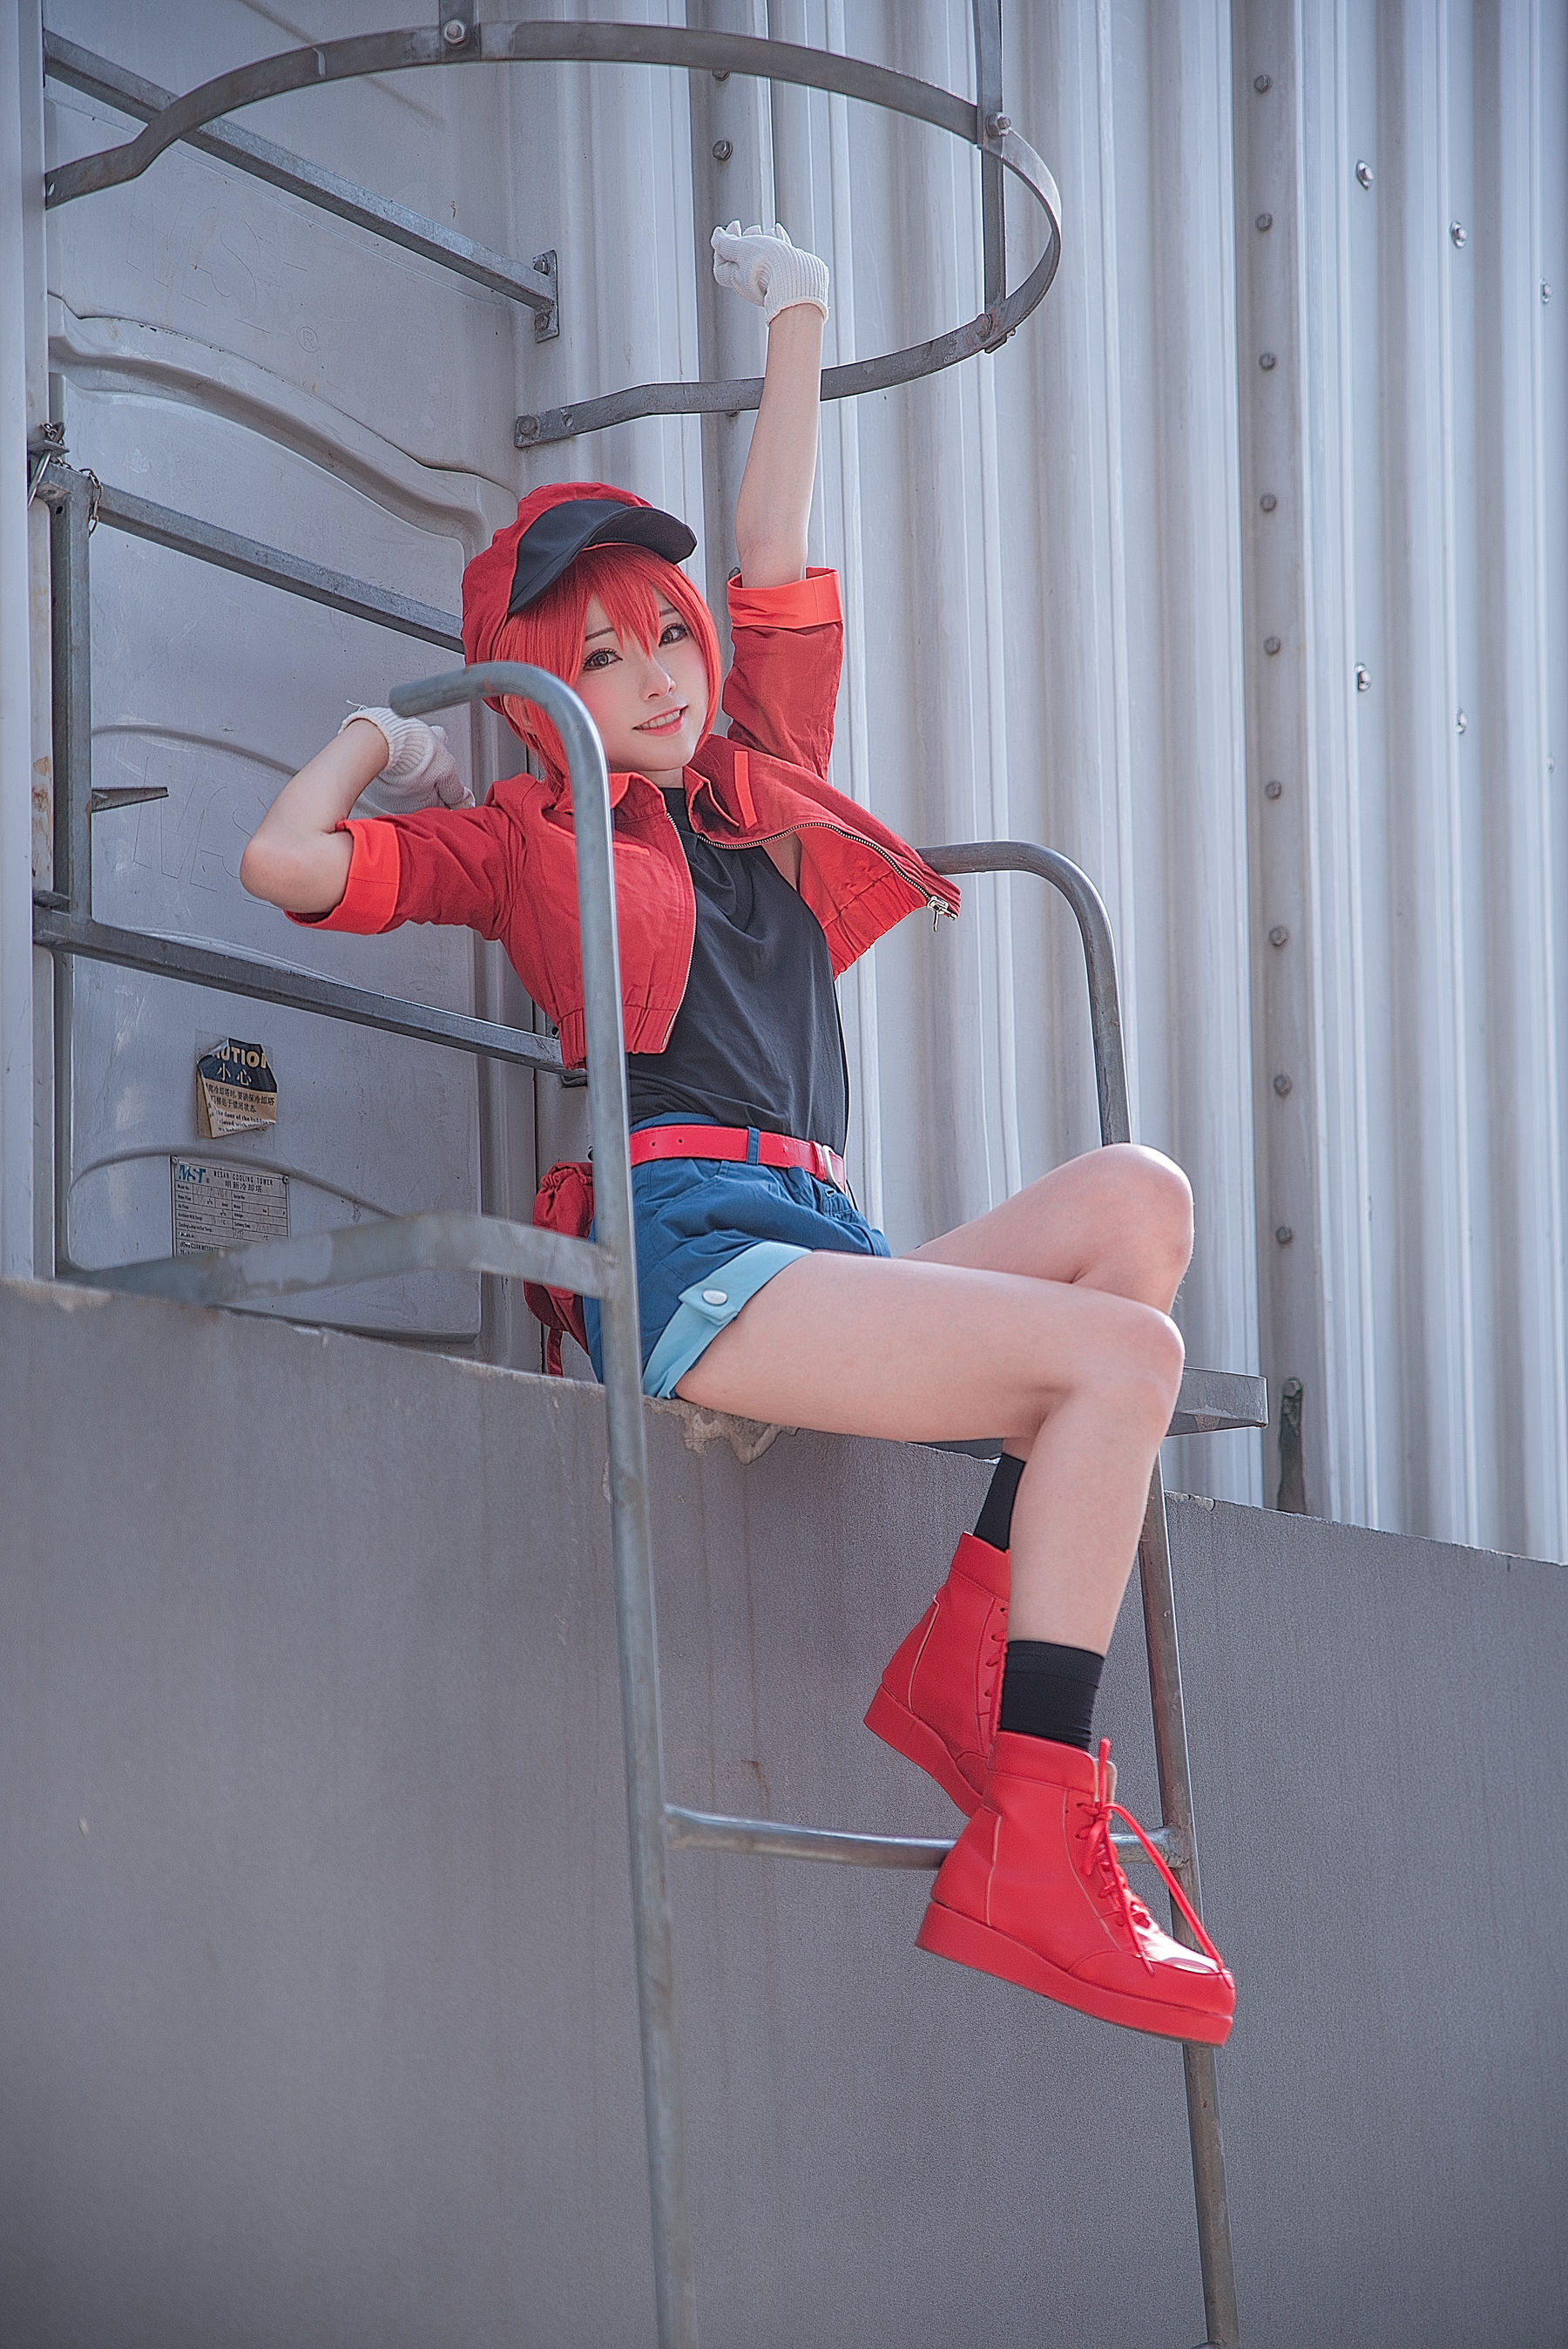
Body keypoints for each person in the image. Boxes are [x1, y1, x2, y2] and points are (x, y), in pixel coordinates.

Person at [240, 223, 1233, 2047]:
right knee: (1126, 1364)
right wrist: (400, 738)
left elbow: (771, 552)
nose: (658, 674)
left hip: (826, 1245)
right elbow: (284, 862)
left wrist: (801, 319)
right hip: (689, 1252)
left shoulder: (752, 792)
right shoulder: (531, 839)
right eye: (601, 655)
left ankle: (972, 1663)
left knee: (1139, 1207)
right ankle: (1033, 1820)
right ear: (543, 689)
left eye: (667, 639)